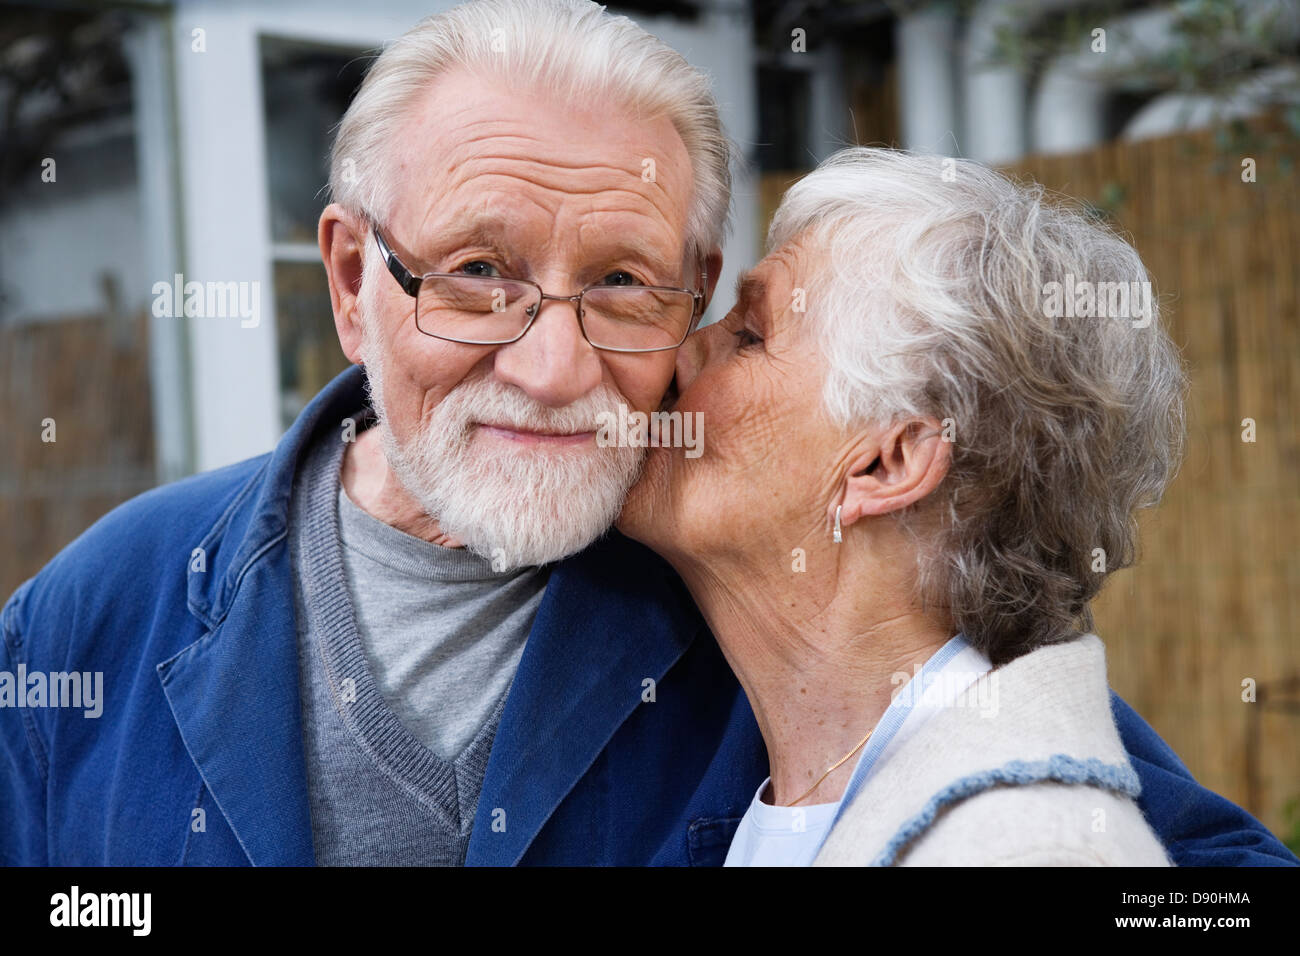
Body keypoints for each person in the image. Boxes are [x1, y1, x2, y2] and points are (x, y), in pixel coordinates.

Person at [1, 0, 1294, 867]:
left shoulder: (770, 605)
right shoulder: (101, 615)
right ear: (351, 282)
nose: (556, 367)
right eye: (477, 272)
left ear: (695, 292)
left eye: (623, 284)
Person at [617, 147, 1287, 866]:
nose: (682, 353)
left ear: (887, 461)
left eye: (748, 335)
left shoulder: (1028, 851)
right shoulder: (796, 791)